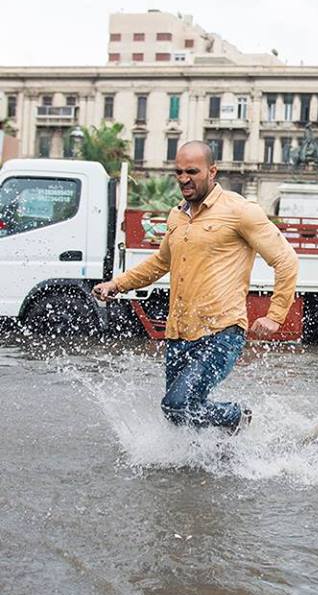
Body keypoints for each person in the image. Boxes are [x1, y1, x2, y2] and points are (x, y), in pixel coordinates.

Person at [93, 141, 298, 433]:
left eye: (192, 171)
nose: (183, 178)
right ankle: (216, 458)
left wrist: (275, 315)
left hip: (221, 332)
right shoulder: (178, 215)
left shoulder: (240, 210)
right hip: (179, 332)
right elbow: (160, 262)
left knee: (177, 404)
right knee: (180, 415)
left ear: (212, 171)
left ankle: (237, 416)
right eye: (178, 172)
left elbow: (286, 260)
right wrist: (117, 284)